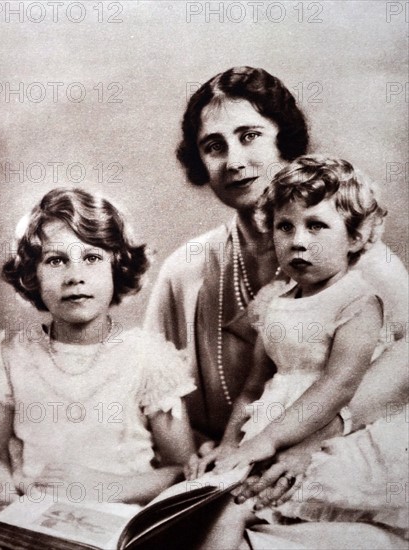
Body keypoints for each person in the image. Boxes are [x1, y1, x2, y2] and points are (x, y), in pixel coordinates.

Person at [144, 67, 408, 547]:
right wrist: (210, 456)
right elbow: (154, 392)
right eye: (214, 145)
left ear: (284, 140)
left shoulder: (362, 263)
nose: (235, 160)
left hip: (341, 473)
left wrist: (309, 444)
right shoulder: (183, 270)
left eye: (250, 137)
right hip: (231, 472)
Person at [187, 156, 408, 549]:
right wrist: (230, 443)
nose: (298, 241)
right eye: (284, 226)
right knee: (221, 508)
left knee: (239, 509)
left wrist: (269, 441)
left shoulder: (358, 300)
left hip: (326, 434)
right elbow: (254, 387)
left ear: (355, 237)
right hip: (270, 425)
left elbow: (338, 385)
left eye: (317, 226)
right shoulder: (273, 301)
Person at [0, 187, 196, 517]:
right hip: (35, 517)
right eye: (56, 261)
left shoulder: (148, 357)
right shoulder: (9, 358)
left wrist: (101, 486)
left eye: (92, 258)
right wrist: (10, 495)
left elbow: (183, 471)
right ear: (32, 276)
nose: (76, 277)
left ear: (117, 267)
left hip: (121, 521)